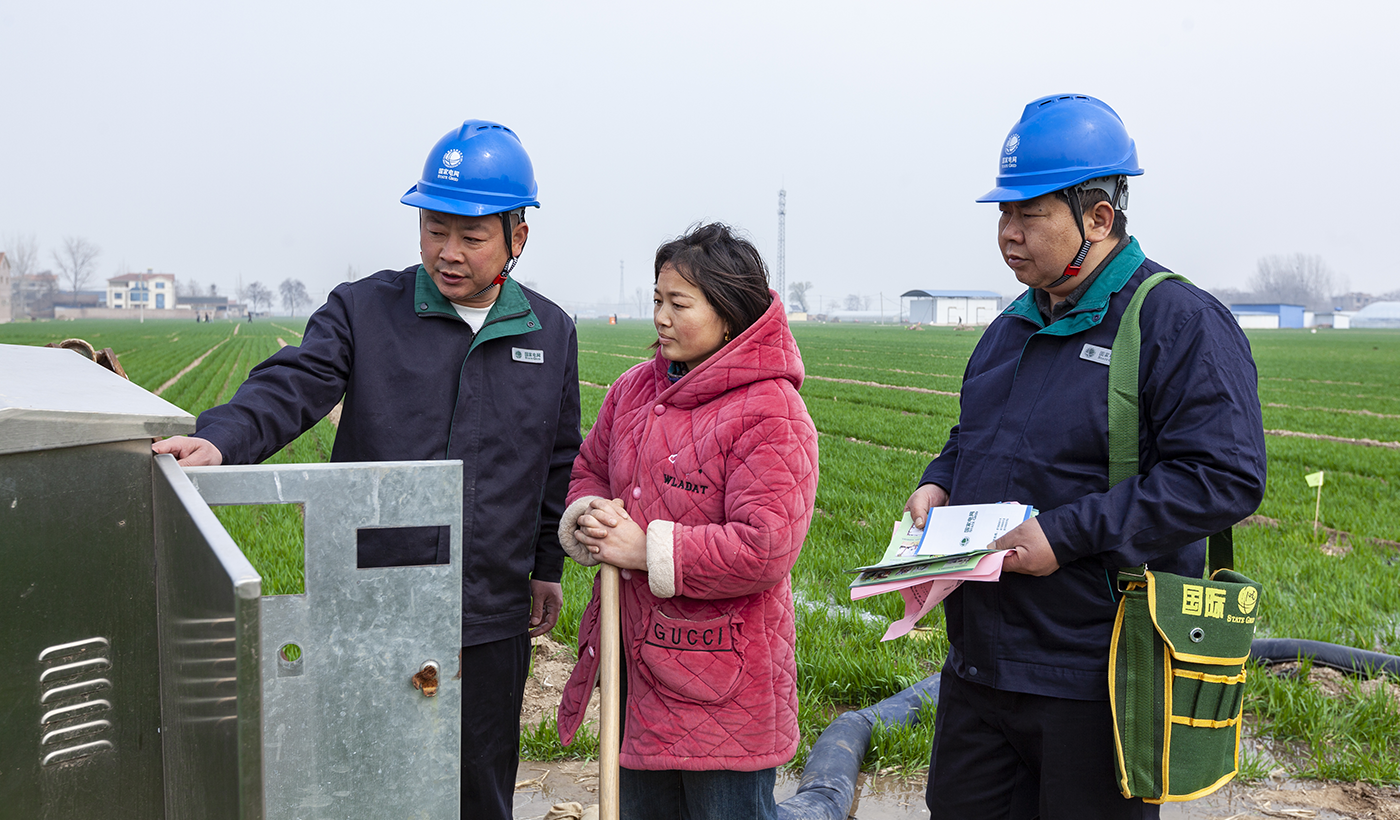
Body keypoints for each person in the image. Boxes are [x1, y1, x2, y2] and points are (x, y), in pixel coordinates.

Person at [152, 119, 582, 820]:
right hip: (371, 600)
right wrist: (222, 438)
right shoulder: (365, 310)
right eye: (433, 229)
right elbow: (290, 384)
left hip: (490, 608)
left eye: (471, 237)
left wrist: (546, 567)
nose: (447, 252)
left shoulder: (549, 330)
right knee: (364, 782)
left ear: (517, 237)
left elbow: (558, 458)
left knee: (479, 789)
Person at [904, 94, 1267, 819]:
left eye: (1028, 214)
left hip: (1096, 679)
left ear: (1099, 217)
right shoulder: (1013, 325)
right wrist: (938, 481)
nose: (1008, 234)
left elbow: (1224, 477)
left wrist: (1064, 536)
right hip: (980, 670)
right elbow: (975, 434)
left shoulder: (1176, 321)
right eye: (1002, 215)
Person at [555, 223, 819, 820]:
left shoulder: (771, 410)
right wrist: (591, 513)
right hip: (637, 665)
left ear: (728, 315)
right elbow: (589, 468)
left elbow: (765, 546)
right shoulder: (631, 391)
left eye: (679, 304)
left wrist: (642, 547)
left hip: (725, 683)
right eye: (656, 300)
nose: (660, 318)